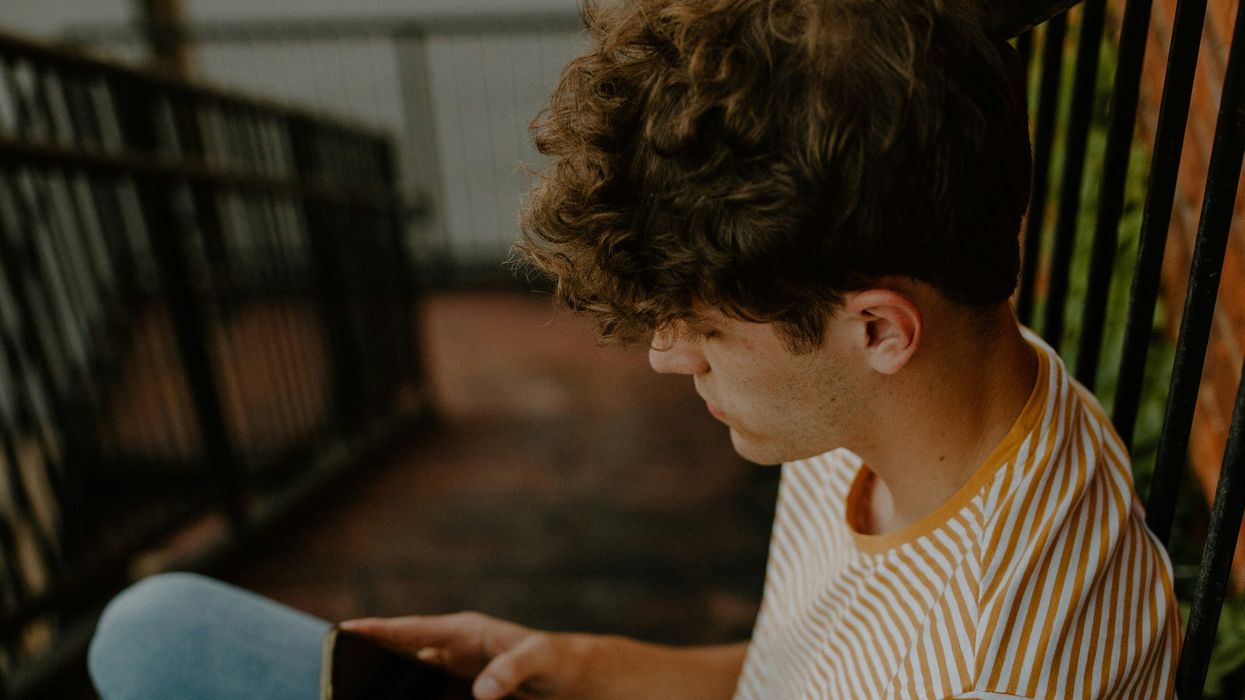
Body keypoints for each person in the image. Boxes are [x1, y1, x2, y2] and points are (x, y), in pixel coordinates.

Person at [88, 0, 1182, 697]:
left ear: (878, 327)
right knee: (150, 626)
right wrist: (592, 665)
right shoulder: (907, 401)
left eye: (701, 327)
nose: (666, 360)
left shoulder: (996, 662)